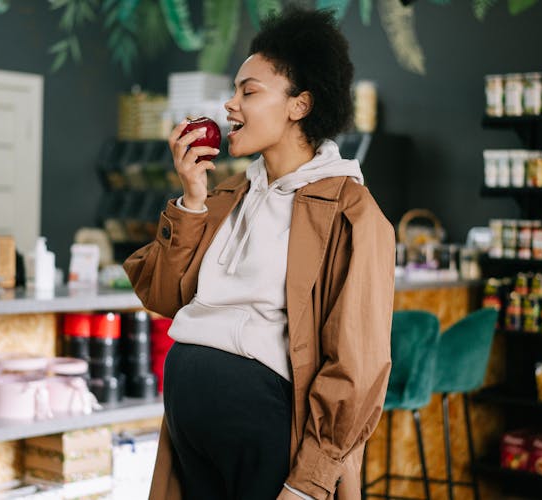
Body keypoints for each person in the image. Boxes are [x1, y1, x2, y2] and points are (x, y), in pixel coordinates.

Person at [124, 6, 394, 500]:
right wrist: (191, 198)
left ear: (300, 105)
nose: (230, 105)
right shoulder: (228, 194)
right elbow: (162, 296)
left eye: (249, 91)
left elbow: (357, 364)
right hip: (190, 431)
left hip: (271, 434)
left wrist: (309, 481)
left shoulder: (350, 210)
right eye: (234, 90)